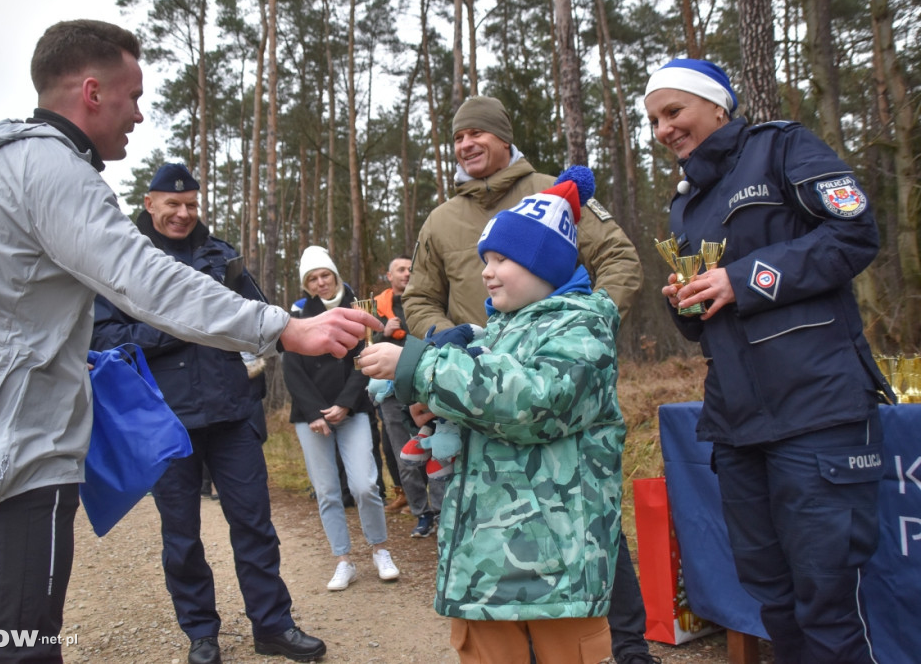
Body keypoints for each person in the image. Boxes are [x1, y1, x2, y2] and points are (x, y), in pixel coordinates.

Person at [0, 20, 377, 662]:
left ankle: (271, 621)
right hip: (9, 458)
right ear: (93, 92)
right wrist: (284, 327)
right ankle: (201, 634)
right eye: (133, 95)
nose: (141, 113)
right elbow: (147, 281)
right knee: (15, 644)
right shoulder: (51, 170)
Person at [643, 58, 895, 663]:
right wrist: (688, 299)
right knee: (773, 599)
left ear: (717, 106)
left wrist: (743, 278)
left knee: (827, 601)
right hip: (737, 423)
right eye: (653, 120)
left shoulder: (783, 148)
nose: (663, 129)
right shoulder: (685, 206)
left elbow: (854, 233)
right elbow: (709, 323)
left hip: (818, 409)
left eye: (674, 111)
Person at [401, 95, 657, 664]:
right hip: (468, 389)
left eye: (479, 133)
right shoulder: (441, 219)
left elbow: (620, 258)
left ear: (504, 135)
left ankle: (629, 646)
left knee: (577, 515)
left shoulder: (550, 193)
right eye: (458, 135)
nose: (468, 144)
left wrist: (585, 322)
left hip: (549, 381)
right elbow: (417, 296)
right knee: (490, 517)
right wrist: (452, 349)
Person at [359, 169, 624, 664]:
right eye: (485, 259)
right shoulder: (490, 333)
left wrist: (421, 366)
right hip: (482, 567)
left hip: (556, 576)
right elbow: (477, 400)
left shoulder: (583, 327)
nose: (486, 271)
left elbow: (536, 403)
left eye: (502, 258)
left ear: (545, 264)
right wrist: (430, 400)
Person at [89, 163, 324, 664]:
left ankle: (273, 625)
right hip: (164, 423)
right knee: (182, 536)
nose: (182, 213)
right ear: (149, 204)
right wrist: (182, 326)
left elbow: (262, 321)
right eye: (171, 204)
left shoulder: (223, 258)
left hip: (232, 414)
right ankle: (201, 633)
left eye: (191, 204)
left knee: (255, 525)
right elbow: (104, 340)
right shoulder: (123, 261)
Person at [282, 246, 401, 592]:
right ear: (307, 284)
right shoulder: (299, 315)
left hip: (353, 410)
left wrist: (346, 405)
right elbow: (292, 370)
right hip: (312, 417)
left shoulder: (357, 309)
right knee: (328, 491)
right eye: (313, 279)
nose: (321, 283)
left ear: (335, 275)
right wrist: (314, 412)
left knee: (365, 484)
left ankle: (380, 550)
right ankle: (343, 560)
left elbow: (365, 360)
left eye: (325, 275)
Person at [372, 255, 445, 537]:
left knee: (436, 448)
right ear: (389, 276)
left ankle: (440, 513)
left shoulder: (427, 301)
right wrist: (382, 335)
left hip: (425, 385)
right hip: (390, 390)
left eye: (410, 269)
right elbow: (363, 349)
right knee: (405, 455)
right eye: (400, 269)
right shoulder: (377, 310)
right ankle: (421, 514)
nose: (407, 273)